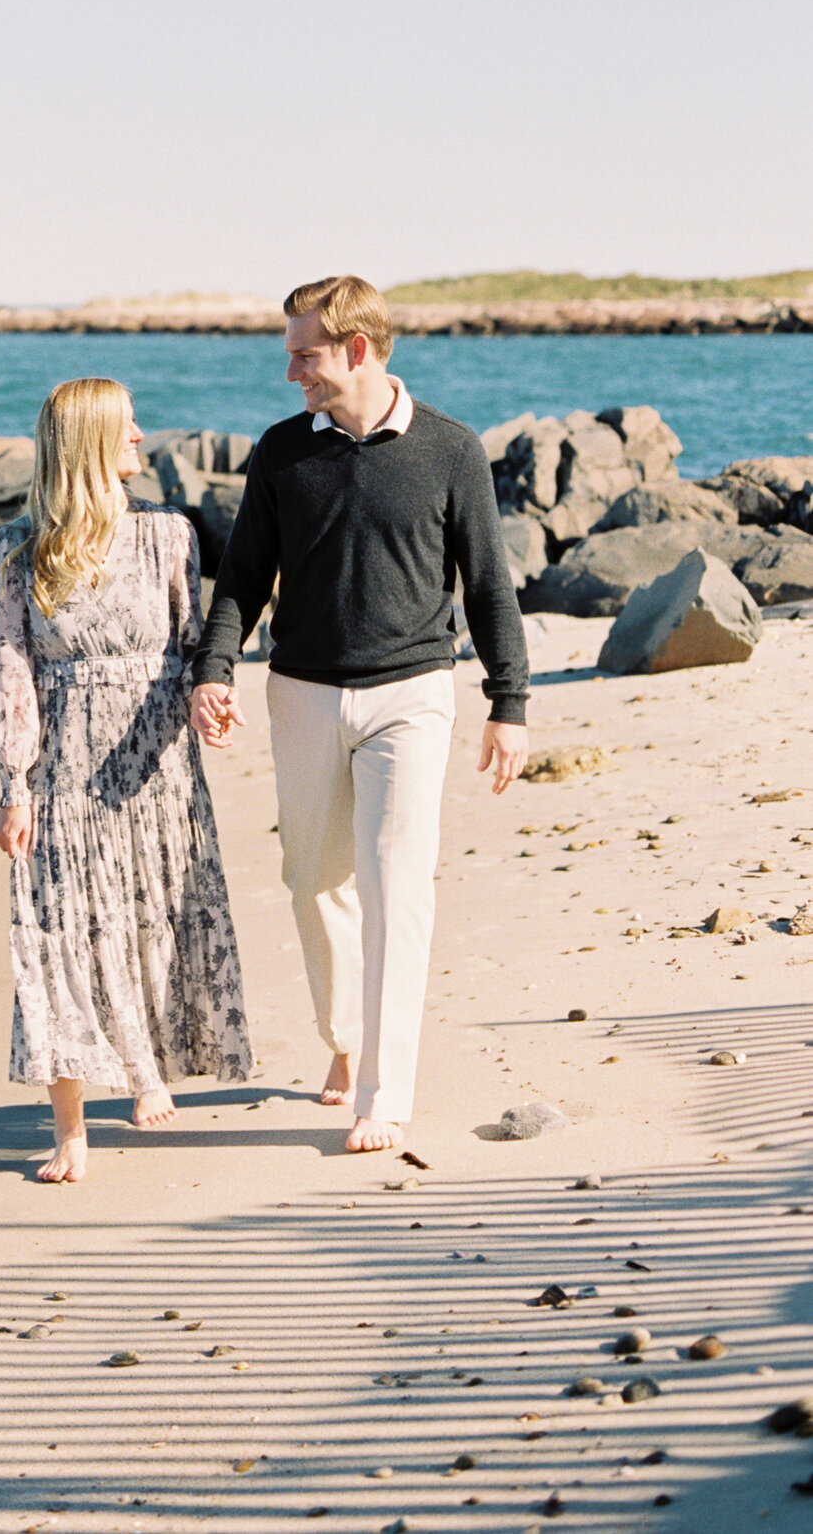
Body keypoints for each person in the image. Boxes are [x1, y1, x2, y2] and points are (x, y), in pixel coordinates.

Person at [190, 275, 530, 1154]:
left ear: (356, 349)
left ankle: (384, 1091)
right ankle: (345, 1038)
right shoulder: (280, 454)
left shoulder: (451, 450)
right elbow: (241, 579)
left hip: (412, 695)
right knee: (313, 880)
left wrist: (509, 701)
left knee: (395, 886)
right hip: (300, 691)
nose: (292, 373)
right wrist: (214, 668)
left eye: (304, 355)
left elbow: (488, 583)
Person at [0, 375, 252, 1184]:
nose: (142, 437)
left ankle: (147, 1067)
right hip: (65, 765)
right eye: (129, 427)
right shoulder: (15, 549)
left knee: (155, 918)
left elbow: (191, 644)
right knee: (62, 930)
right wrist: (13, 783)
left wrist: (213, 700)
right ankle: (71, 1132)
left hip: (158, 762)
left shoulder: (170, 535)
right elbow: (9, 669)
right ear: (90, 443)